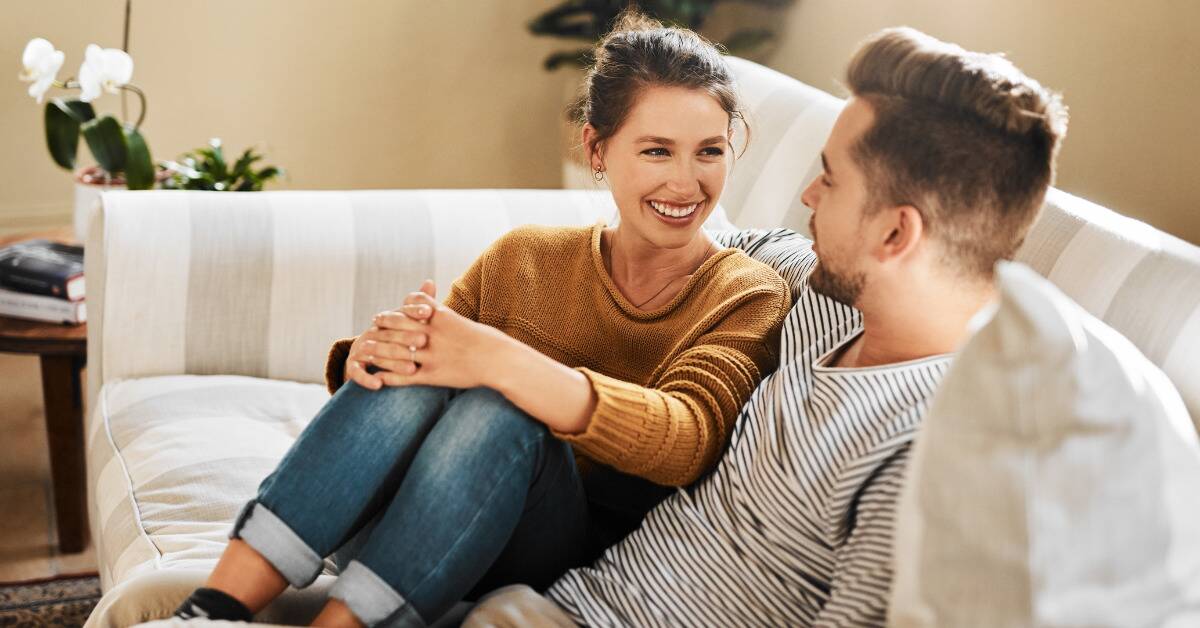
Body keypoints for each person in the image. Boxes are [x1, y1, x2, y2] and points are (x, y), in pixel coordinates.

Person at [171, 11, 791, 628]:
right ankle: (208, 612)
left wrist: (504, 363)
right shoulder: (524, 257)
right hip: (384, 533)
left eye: (709, 151)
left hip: (538, 552)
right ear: (596, 148)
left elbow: (686, 441)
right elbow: (424, 378)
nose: (686, 182)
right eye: (657, 150)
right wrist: (370, 353)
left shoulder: (744, 292)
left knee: (502, 409)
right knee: (428, 358)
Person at [462, 25, 1069, 627]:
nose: (807, 195)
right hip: (551, 602)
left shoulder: (932, 455)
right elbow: (694, 239)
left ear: (895, 234)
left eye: (830, 179)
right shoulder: (815, 296)